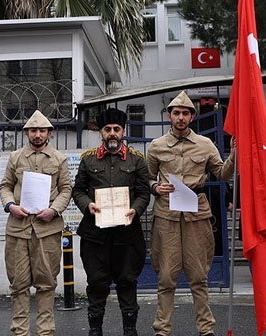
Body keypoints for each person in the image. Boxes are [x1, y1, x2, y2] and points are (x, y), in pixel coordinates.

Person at [147, 91, 235, 336]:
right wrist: (155, 186)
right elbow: (147, 176)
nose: (181, 117)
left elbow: (222, 174)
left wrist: (233, 154)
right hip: (167, 212)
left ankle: (206, 329)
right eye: (176, 113)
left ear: (193, 117)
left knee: (199, 276)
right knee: (166, 277)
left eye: (186, 113)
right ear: (169, 116)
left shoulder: (205, 144)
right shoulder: (157, 146)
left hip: (196, 211)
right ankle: (162, 330)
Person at [72, 108, 150, 336]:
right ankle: (95, 330)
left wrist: (135, 210)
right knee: (97, 283)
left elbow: (144, 193)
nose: (112, 133)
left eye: (117, 129)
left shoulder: (137, 159)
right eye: (108, 130)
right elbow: (78, 190)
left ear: (123, 131)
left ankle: (130, 330)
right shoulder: (88, 160)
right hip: (95, 235)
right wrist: (88, 205)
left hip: (127, 235)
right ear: (101, 133)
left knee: (127, 281)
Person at [0, 110, 72, 336]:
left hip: (47, 229)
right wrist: (11, 205)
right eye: (33, 130)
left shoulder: (59, 159)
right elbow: (5, 186)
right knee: (18, 284)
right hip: (18, 229)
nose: (37, 135)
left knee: (46, 283)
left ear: (49, 132)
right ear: (27, 132)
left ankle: (45, 331)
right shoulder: (16, 157)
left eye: (42, 130)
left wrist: (54, 210)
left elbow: (66, 189)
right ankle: (20, 331)